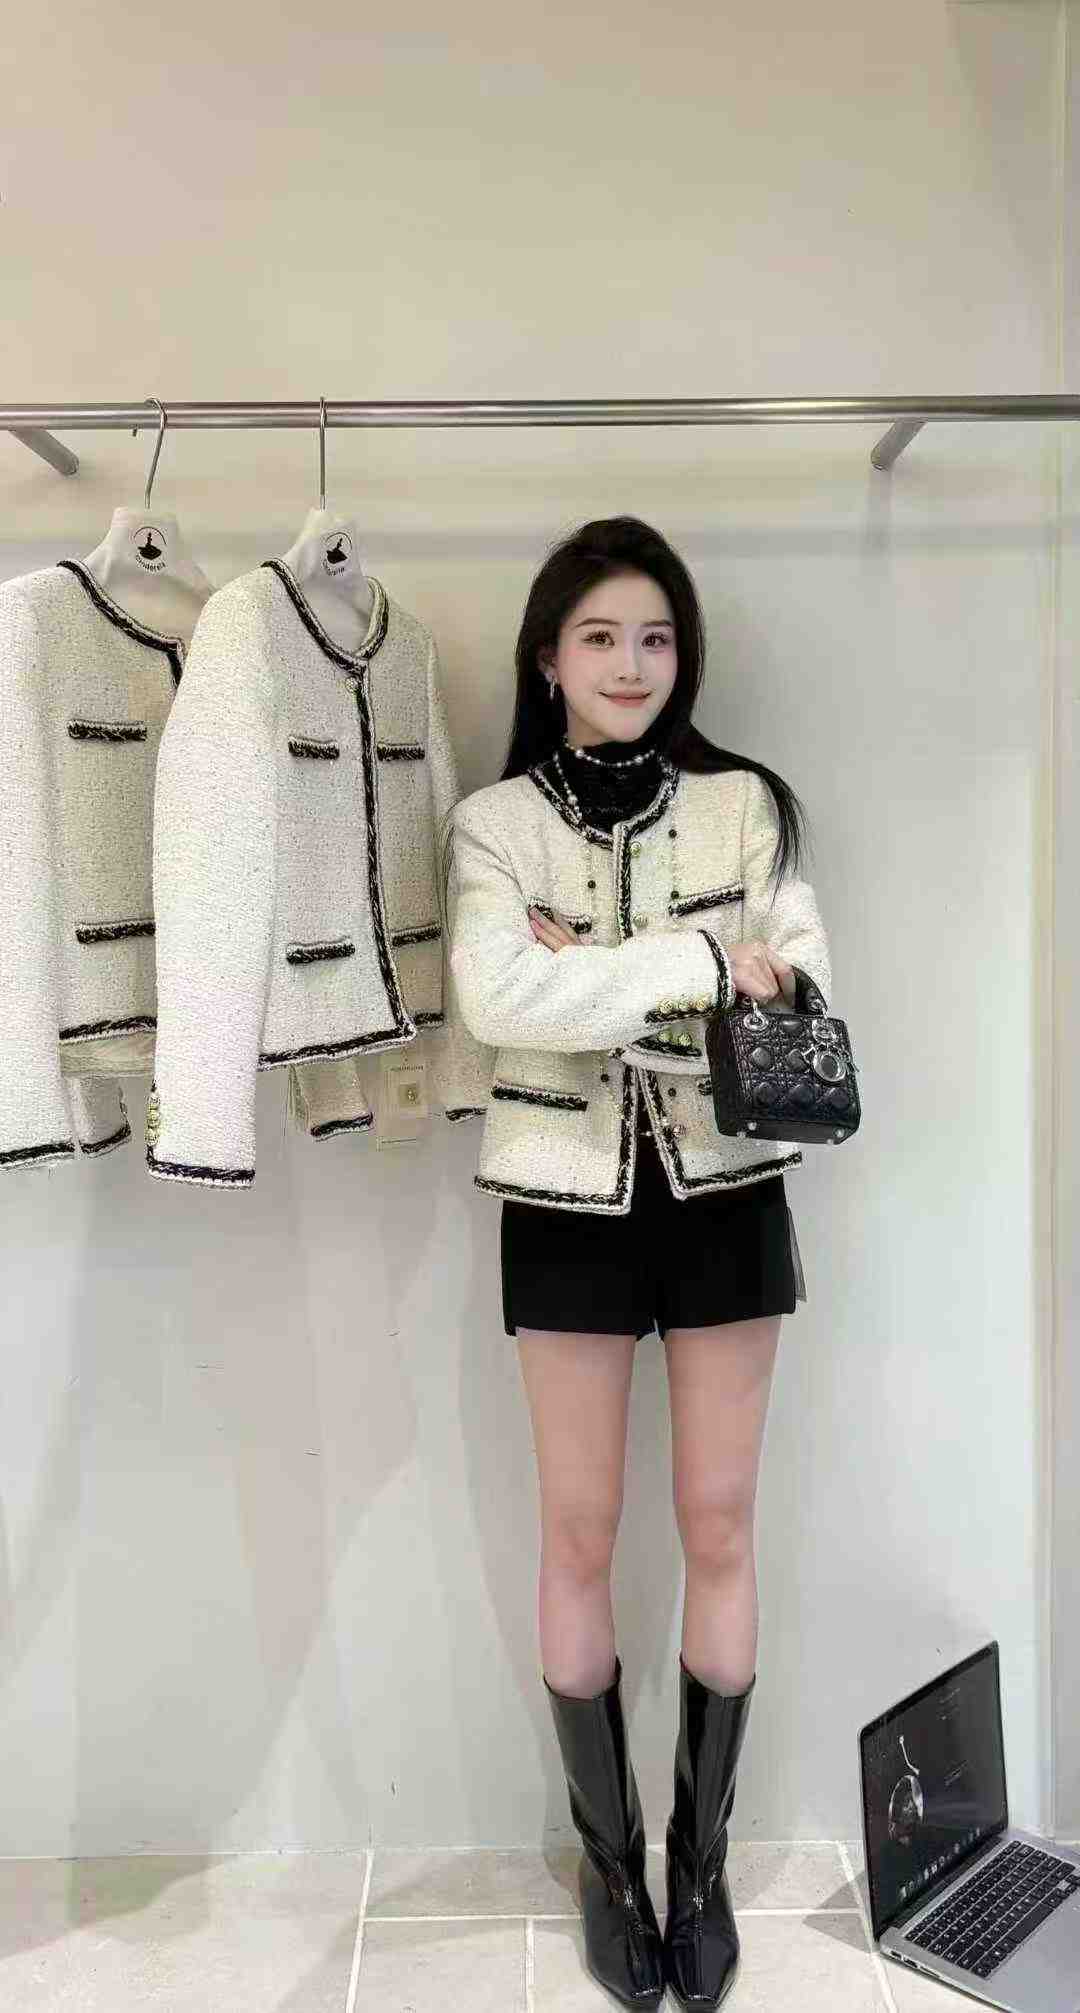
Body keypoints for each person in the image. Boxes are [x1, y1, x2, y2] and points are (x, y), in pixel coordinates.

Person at [445, 515, 831, 2011]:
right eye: (600, 636)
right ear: (548, 658)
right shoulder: (495, 826)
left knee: (721, 1521)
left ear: (686, 656)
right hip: (562, 1202)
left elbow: (801, 991)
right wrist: (698, 962)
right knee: (580, 1530)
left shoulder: (748, 808)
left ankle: (703, 1865)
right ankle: (612, 1871)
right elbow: (496, 998)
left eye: (656, 637)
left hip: (729, 1196)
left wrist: (591, 979)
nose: (631, 663)